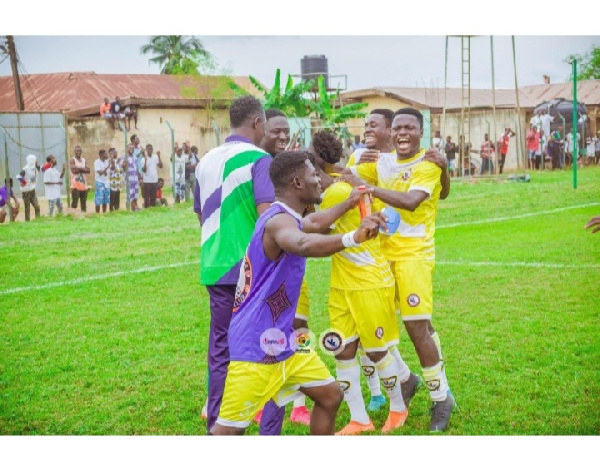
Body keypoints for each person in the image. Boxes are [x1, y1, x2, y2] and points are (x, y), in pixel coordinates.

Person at [210, 150, 387, 435]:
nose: (320, 179)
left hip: (284, 343)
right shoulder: (277, 222)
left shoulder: (287, 216)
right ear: (297, 182)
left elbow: (315, 224)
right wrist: (353, 237)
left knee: (330, 396)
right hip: (254, 348)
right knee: (227, 432)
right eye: (313, 174)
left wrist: (350, 202)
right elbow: (303, 243)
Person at [348, 108, 456, 432]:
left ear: (420, 132)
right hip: (381, 256)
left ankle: (441, 398)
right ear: (390, 132)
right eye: (397, 128)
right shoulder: (379, 162)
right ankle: (407, 380)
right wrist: (354, 160)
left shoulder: (429, 164)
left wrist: (370, 189)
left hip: (414, 257)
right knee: (374, 327)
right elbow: (342, 175)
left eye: (410, 127)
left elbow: (410, 202)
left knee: (416, 328)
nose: (402, 133)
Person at [313, 131, 411, 435]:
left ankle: (398, 408)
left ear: (317, 162)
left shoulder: (337, 193)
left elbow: (315, 230)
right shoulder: (344, 186)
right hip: (343, 283)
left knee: (377, 350)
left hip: (368, 281)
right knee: (342, 350)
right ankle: (360, 418)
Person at [193, 95, 276, 433]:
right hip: (250, 268)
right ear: (257, 123)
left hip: (214, 264)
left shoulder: (205, 160)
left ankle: (218, 424)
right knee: (268, 344)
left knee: (221, 348)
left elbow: (200, 213)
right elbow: (268, 217)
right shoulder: (260, 158)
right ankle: (268, 428)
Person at [19, 154, 41, 221]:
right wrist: (23, 183)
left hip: (32, 191)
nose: (36, 161)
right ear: (31, 161)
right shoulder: (25, 170)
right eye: (35, 160)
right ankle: (27, 221)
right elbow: (19, 177)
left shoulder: (35, 169)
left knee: (37, 206)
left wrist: (38, 166)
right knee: (27, 208)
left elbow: (39, 169)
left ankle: (38, 220)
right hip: (26, 192)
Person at [70, 145, 90, 213]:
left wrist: (78, 168)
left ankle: (83, 216)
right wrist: (83, 169)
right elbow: (74, 171)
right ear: (74, 151)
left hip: (83, 184)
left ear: (81, 152)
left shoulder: (84, 160)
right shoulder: (72, 160)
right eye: (76, 151)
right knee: (75, 203)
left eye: (78, 151)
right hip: (75, 185)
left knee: (83, 202)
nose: (77, 152)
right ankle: (71, 215)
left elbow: (88, 170)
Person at [141, 144, 162, 208]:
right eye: (149, 149)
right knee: (146, 197)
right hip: (147, 181)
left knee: (153, 197)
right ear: (146, 150)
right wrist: (145, 161)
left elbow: (161, 166)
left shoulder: (155, 157)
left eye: (151, 148)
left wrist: (159, 156)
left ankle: (152, 208)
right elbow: (144, 170)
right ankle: (147, 208)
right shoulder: (143, 159)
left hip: (154, 180)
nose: (150, 150)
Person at [124, 143, 140, 211]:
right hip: (129, 181)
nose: (131, 149)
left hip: (135, 180)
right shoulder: (125, 157)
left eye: (133, 148)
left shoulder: (135, 157)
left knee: (135, 196)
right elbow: (123, 168)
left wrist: (140, 178)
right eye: (130, 148)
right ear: (127, 149)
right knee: (130, 196)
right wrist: (124, 164)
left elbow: (137, 169)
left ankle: (135, 209)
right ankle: (129, 209)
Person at [94, 149, 111, 214]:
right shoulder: (97, 162)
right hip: (99, 183)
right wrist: (106, 168)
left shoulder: (106, 162)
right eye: (105, 154)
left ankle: (104, 213)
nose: (107, 155)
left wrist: (107, 166)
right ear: (101, 155)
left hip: (106, 183)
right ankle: (97, 214)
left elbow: (106, 173)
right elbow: (100, 172)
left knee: (105, 200)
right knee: (98, 199)